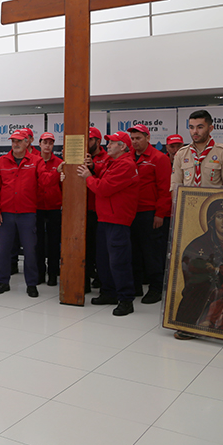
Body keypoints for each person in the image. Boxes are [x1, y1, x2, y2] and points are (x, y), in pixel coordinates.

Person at [76, 131, 139, 316]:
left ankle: (126, 300)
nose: (108, 145)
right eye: (108, 142)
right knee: (104, 260)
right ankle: (109, 292)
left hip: (117, 220)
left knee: (119, 262)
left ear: (123, 147)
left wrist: (87, 176)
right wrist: (93, 168)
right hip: (105, 218)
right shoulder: (114, 163)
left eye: (112, 143)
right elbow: (102, 177)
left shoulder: (126, 165)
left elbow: (103, 188)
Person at [0, 129, 49, 298]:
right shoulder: (2, 162)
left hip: (27, 214)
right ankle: (3, 282)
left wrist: (58, 173)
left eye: (19, 141)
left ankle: (31, 284)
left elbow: (44, 181)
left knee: (30, 251)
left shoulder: (36, 161)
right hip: (6, 214)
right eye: (13, 141)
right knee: (4, 250)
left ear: (27, 142)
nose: (15, 144)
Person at [175, 198, 223, 328]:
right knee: (198, 289)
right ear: (211, 219)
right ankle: (188, 325)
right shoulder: (198, 244)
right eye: (219, 217)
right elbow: (191, 269)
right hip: (208, 288)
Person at [128, 124, 171, 304]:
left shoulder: (159, 158)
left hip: (150, 212)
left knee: (152, 252)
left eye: (138, 138)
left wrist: (160, 214)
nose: (135, 142)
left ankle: (155, 288)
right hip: (130, 212)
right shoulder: (127, 157)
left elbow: (165, 189)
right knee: (134, 251)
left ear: (148, 138)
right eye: (132, 139)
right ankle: (136, 286)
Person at [170, 111, 223, 193]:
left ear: (210, 129)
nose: (195, 131)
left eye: (200, 127)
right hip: (188, 204)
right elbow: (175, 186)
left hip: (213, 204)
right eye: (191, 127)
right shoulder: (181, 154)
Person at [36, 132, 62, 286]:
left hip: (54, 207)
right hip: (37, 206)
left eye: (50, 143)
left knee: (54, 243)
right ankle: (39, 273)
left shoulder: (59, 163)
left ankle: (53, 274)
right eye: (45, 142)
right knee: (37, 243)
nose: (47, 146)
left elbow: (63, 186)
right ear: (39, 144)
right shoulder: (34, 162)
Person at [86, 127, 110, 291]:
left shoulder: (108, 158)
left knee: (102, 250)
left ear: (98, 141)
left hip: (102, 212)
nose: (86, 143)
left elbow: (106, 181)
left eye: (90, 139)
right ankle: (85, 279)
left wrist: (93, 167)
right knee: (86, 247)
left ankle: (102, 280)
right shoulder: (78, 156)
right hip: (83, 210)